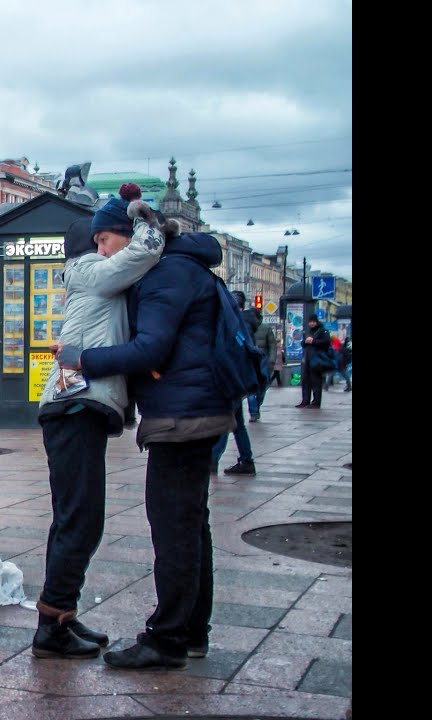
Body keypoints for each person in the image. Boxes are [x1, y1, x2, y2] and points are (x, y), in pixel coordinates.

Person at [56, 228, 235, 671]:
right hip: (197, 406)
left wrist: (84, 359)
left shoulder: (165, 274)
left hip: (181, 415)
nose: (102, 252)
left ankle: (167, 638)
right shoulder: (188, 267)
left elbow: (151, 347)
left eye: (106, 240)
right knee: (193, 525)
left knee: (173, 527)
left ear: (134, 238)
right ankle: (192, 631)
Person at [35, 184, 166, 660]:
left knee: (77, 517)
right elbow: (143, 253)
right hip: (72, 408)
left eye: (109, 239)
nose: (106, 247)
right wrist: (147, 222)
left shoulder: (98, 278)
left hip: (79, 409)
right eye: (110, 238)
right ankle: (50, 627)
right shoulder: (92, 270)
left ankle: (61, 616)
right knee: (80, 519)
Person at [209, 291, 256, 476]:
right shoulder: (242, 324)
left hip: (230, 379)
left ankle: (212, 460)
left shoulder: (230, 323)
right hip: (239, 379)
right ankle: (247, 460)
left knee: (225, 421)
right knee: (237, 424)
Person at [247, 305, 276, 421]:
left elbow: (272, 346)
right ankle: (254, 412)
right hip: (252, 361)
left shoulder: (266, 328)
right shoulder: (246, 327)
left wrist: (271, 360)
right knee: (252, 388)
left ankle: (256, 406)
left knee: (261, 387)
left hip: (262, 361)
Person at [297, 314, 331, 409]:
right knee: (305, 380)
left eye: (313, 321)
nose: (311, 323)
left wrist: (313, 341)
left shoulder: (323, 331)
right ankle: (305, 401)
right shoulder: (308, 331)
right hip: (307, 359)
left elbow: (326, 342)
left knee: (316, 381)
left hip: (317, 360)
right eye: (310, 322)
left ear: (316, 322)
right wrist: (305, 342)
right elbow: (303, 344)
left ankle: (316, 402)